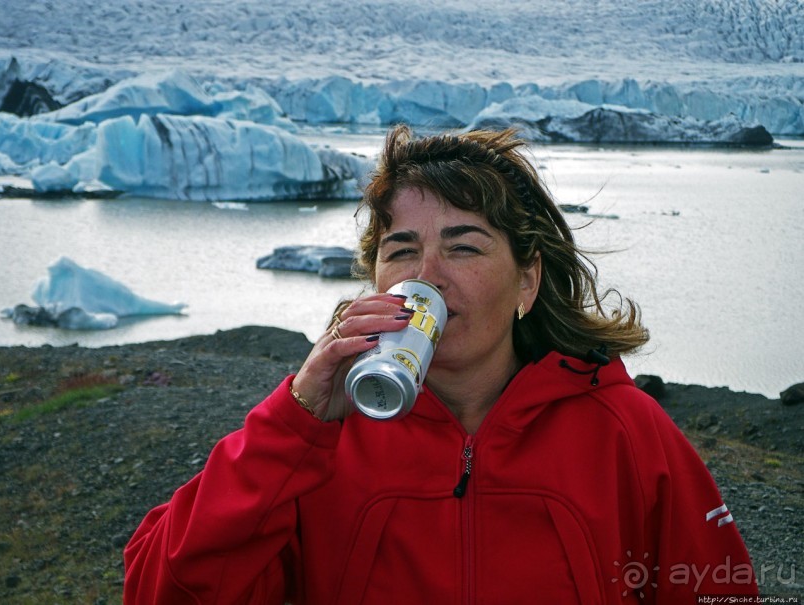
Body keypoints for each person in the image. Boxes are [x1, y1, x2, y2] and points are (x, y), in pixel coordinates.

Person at [124, 126, 759, 604]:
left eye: (464, 246)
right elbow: (163, 590)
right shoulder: (315, 439)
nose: (427, 278)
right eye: (402, 250)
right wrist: (290, 426)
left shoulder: (625, 431)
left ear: (527, 282)